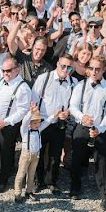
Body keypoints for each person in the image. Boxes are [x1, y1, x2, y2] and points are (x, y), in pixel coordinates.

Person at [68, 56, 106, 206]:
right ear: (88, 69)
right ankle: (75, 188)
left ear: (103, 70)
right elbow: (73, 107)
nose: (94, 72)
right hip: (82, 127)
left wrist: (100, 129)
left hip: (100, 128)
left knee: (102, 162)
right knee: (76, 159)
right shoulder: (80, 86)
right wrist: (83, 117)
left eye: (98, 69)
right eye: (92, 68)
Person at [31, 54, 76, 194]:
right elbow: (33, 100)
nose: (65, 69)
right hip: (43, 121)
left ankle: (51, 181)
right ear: (57, 64)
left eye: (69, 67)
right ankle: (37, 181)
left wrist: (67, 112)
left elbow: (74, 104)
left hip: (59, 123)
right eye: (63, 66)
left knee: (55, 155)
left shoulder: (73, 82)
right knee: (38, 153)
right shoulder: (44, 78)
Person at [0, 58, 31, 193]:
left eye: (8, 70)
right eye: (3, 70)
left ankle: (2, 181)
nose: (5, 73)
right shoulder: (3, 80)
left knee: (4, 155)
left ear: (16, 70)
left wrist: (4, 122)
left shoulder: (22, 87)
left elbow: (23, 110)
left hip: (6, 126)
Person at [13, 105, 53, 203]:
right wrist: (30, 113)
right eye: (35, 122)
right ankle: (17, 193)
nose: (38, 124)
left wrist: (54, 115)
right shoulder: (25, 130)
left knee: (31, 174)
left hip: (36, 155)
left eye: (39, 122)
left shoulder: (38, 129)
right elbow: (25, 122)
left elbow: (47, 122)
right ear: (29, 123)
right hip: (26, 154)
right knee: (21, 173)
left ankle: (29, 191)